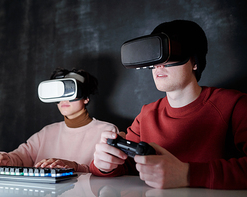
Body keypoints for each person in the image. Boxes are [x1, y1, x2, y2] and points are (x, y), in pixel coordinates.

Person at [90, 20, 247, 189]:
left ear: (195, 62)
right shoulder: (146, 115)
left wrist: (188, 174)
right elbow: (123, 165)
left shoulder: (234, 105)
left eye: (170, 54)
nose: (159, 64)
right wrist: (104, 165)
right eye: (155, 54)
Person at [0, 68, 119, 172]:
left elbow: (107, 172)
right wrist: (4, 159)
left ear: (86, 98)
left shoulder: (107, 131)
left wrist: (72, 166)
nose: (64, 99)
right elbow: (21, 157)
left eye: (70, 90)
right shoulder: (47, 132)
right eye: (59, 92)